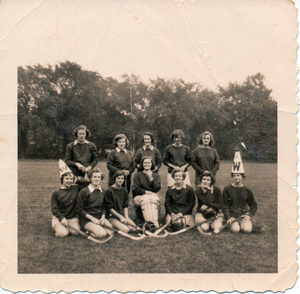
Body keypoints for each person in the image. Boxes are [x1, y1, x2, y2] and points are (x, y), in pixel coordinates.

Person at [222, 151, 258, 233]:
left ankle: (245, 224)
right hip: (232, 216)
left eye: (238, 175)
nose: (236, 177)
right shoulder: (227, 188)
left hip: (243, 215)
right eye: (234, 175)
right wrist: (228, 217)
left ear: (243, 177)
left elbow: (254, 205)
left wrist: (249, 215)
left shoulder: (247, 190)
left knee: (247, 230)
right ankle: (230, 224)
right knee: (235, 230)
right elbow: (225, 205)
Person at [76, 168, 113, 238]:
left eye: (98, 177)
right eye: (94, 177)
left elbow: (104, 206)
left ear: (101, 178)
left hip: (99, 218)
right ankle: (88, 231)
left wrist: (103, 217)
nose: (97, 179)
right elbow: (79, 209)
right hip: (87, 219)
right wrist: (92, 219)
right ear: (90, 178)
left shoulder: (103, 191)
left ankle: (95, 229)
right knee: (102, 234)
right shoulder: (83, 191)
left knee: (110, 232)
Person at [50, 160, 81, 237]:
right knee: (64, 234)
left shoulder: (76, 188)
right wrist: (62, 218)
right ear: (62, 179)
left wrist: (77, 179)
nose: (69, 181)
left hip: (72, 218)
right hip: (59, 218)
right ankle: (57, 228)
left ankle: (65, 228)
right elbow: (54, 209)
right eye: (67, 179)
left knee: (75, 232)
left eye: (71, 179)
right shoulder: (56, 193)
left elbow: (87, 182)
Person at [132, 156, 161, 227]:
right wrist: (146, 192)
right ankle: (149, 222)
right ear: (142, 164)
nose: (146, 164)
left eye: (148, 163)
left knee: (153, 200)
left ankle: (154, 222)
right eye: (145, 163)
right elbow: (136, 188)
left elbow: (157, 188)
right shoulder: (138, 175)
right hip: (140, 196)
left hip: (152, 195)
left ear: (152, 164)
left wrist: (151, 178)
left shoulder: (156, 175)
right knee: (147, 200)